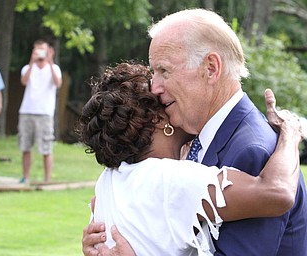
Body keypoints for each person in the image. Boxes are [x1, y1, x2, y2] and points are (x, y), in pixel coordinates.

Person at [82, 9, 307, 256]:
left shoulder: (253, 151)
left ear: (211, 67)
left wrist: (290, 134)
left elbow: (274, 195)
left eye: (163, 71)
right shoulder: (187, 148)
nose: (154, 87)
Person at [18, 39, 62, 184]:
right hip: (27, 110)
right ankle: (26, 177)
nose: (40, 53)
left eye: (43, 49)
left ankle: (47, 179)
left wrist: (50, 61)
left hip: (45, 112)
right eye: (38, 50)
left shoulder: (54, 68)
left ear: (49, 50)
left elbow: (58, 83)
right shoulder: (27, 67)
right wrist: (32, 62)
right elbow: (24, 81)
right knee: (25, 146)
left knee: (46, 147)